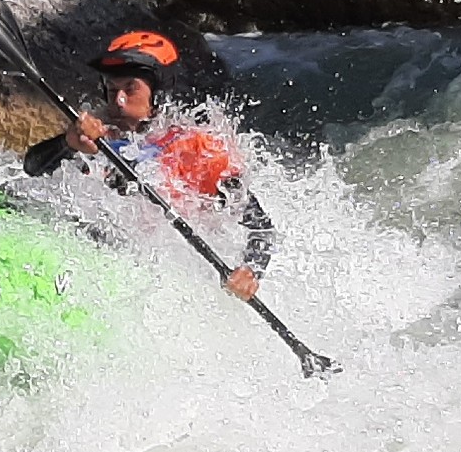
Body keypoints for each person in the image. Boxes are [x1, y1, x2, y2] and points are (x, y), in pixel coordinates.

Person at [23, 30, 276, 301]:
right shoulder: (97, 136)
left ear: (158, 94)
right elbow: (32, 169)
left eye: (130, 89)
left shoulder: (198, 149)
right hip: (100, 256)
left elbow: (261, 228)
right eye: (111, 90)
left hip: (160, 276)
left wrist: (250, 272)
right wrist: (67, 143)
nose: (118, 100)